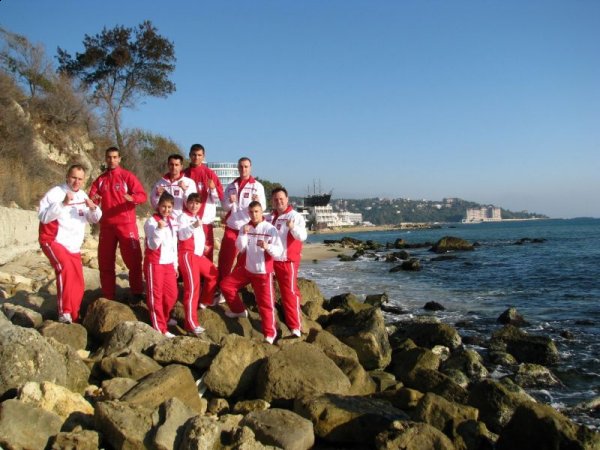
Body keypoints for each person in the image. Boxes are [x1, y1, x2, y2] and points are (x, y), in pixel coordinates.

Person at [39, 164, 102, 323]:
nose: (76, 182)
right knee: (65, 269)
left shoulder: (82, 196)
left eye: (80, 179)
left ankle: (74, 317)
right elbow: (43, 217)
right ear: (67, 177)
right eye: (74, 178)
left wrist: (93, 208)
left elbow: (94, 218)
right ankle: (64, 312)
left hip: (73, 246)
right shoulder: (55, 193)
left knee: (78, 282)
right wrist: (63, 203)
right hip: (53, 240)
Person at [89, 146, 147, 302]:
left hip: (126, 224)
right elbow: (91, 199)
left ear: (119, 159)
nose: (112, 160)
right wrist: (94, 201)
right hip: (107, 226)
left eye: (115, 157)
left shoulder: (127, 176)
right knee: (105, 262)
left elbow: (142, 195)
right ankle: (108, 295)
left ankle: (137, 292)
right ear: (105, 159)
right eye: (109, 157)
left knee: (134, 261)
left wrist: (133, 198)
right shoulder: (100, 180)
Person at [220, 201, 283, 344]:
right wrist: (243, 233)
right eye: (251, 212)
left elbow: (279, 252)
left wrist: (267, 247)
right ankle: (239, 310)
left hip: (263, 273)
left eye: (256, 212)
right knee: (226, 285)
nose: (254, 215)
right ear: (248, 213)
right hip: (247, 269)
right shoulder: (245, 227)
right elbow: (241, 248)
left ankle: (270, 334)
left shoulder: (270, 229)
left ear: (261, 212)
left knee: (265, 304)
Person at [218, 157, 266, 280]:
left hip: (248, 227)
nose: (243, 169)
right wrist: (230, 201)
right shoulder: (231, 186)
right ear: (238, 168)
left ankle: (234, 282)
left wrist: (257, 201)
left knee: (244, 258)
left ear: (250, 168)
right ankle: (222, 283)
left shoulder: (257, 186)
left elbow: (263, 207)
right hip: (232, 226)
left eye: (246, 166)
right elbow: (225, 206)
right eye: (241, 166)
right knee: (225, 257)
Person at [177, 193, 218, 335]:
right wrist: (193, 226)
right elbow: (182, 235)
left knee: (213, 273)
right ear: (187, 203)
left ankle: (204, 301)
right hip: (187, 255)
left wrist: (203, 247)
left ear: (200, 205)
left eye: (197, 203)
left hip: (197, 255)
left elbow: (198, 237)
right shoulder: (183, 217)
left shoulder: (196, 217)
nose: (194, 205)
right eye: (191, 202)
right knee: (192, 288)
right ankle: (190, 324)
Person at [269, 187, 308, 337]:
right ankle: (271, 325)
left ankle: (295, 327)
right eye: (276, 199)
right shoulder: (270, 217)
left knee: (289, 293)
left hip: (287, 261)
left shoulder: (295, 216)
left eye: (281, 199)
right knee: (268, 292)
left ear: (287, 199)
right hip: (271, 259)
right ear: (272, 201)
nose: (278, 201)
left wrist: (292, 227)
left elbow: (302, 236)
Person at [144, 192, 179, 337]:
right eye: (164, 206)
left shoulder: (172, 222)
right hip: (155, 263)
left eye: (169, 207)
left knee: (172, 295)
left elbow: (174, 245)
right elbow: (152, 245)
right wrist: (159, 229)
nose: (166, 209)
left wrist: (175, 265)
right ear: (158, 206)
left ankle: (164, 317)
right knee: (156, 296)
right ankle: (160, 328)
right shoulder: (151, 222)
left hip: (168, 263)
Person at [183, 144, 223, 261]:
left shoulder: (209, 173)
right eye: (194, 155)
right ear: (190, 155)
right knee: (188, 249)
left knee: (207, 250)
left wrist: (213, 188)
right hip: (187, 220)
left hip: (205, 220)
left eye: (199, 155)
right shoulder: (183, 174)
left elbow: (219, 197)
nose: (196, 157)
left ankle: (206, 272)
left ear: (204, 156)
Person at [150, 154, 196, 219]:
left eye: (176, 165)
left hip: (183, 220)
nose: (174, 167)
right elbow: (155, 205)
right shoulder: (160, 183)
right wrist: (158, 196)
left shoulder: (189, 182)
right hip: (166, 220)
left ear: (181, 166)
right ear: (168, 165)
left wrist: (185, 190)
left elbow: (193, 205)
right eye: (171, 164)